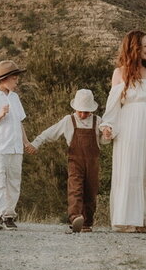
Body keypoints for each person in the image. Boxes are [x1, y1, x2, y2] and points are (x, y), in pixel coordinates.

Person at [99, 30, 146, 233]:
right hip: (129, 126)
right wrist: (108, 126)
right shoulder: (120, 73)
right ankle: (128, 219)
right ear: (135, 47)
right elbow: (113, 105)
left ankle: (144, 219)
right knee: (130, 170)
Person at [29, 88, 103, 233]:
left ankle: (87, 223)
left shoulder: (98, 121)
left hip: (93, 162)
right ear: (75, 108)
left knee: (91, 191)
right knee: (75, 189)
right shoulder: (68, 120)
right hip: (75, 161)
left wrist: (107, 134)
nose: (82, 114)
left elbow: (103, 141)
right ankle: (75, 217)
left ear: (91, 111)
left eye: (86, 112)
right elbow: (50, 133)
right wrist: (35, 143)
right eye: (80, 111)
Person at [0, 59, 33, 230]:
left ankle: (9, 215)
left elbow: (19, 122)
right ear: (4, 79)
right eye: (14, 78)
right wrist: (1, 114)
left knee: (14, 181)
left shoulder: (15, 97)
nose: (17, 81)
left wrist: (26, 142)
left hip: (15, 146)